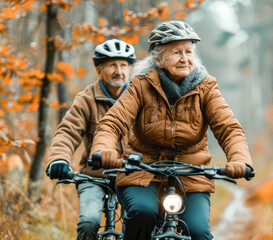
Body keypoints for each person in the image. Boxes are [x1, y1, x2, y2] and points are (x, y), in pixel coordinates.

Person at [90, 20, 253, 240]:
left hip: (191, 173)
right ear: (158, 57)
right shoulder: (141, 85)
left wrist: (240, 160)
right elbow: (112, 123)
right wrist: (104, 150)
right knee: (142, 214)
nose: (185, 58)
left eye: (188, 51)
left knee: (198, 231)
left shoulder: (206, 87)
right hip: (143, 171)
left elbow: (229, 129)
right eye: (177, 52)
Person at [45, 39, 136, 240]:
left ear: (130, 68)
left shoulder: (140, 98)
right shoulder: (86, 99)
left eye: (123, 65)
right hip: (94, 176)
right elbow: (67, 132)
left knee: (141, 222)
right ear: (99, 70)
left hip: (133, 176)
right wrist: (58, 159)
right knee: (89, 222)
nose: (119, 71)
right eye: (112, 65)